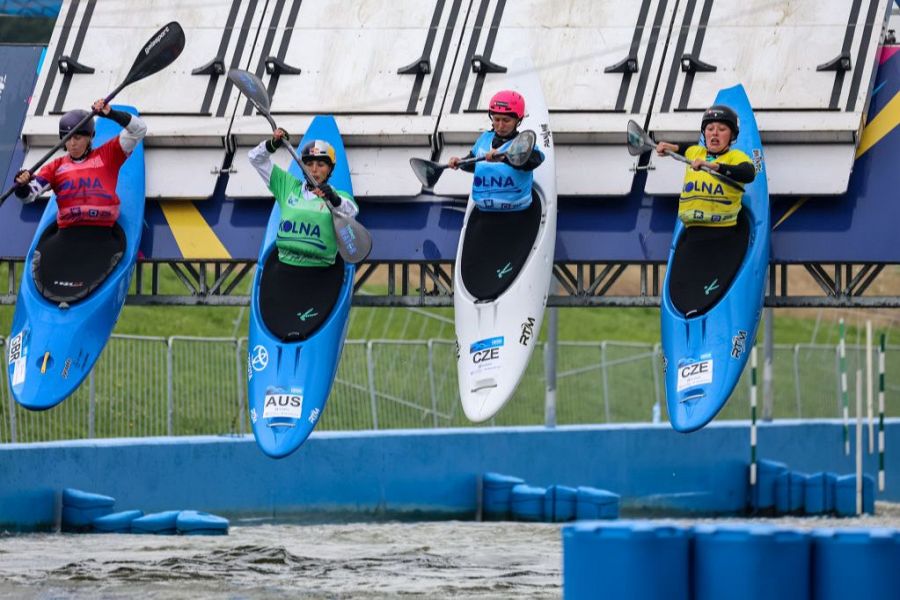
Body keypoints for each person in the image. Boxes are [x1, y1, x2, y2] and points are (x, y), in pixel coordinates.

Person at [14, 99, 147, 227]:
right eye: (67, 137)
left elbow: (139, 129)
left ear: (90, 137)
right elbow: (28, 196)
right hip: (68, 232)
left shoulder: (108, 155)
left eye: (78, 138)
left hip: (103, 231)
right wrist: (22, 186)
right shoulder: (55, 167)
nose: (72, 143)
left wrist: (112, 114)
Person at [248, 128, 358, 267]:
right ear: (302, 166)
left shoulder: (338, 197)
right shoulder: (287, 186)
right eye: (309, 163)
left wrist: (334, 198)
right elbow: (255, 158)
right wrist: (272, 144)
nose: (314, 169)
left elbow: (351, 212)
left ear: (330, 169)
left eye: (320, 164)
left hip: (320, 270)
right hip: (284, 265)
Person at [654, 104, 756, 227]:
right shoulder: (695, 152)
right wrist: (670, 147)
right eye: (710, 129)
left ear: (732, 135)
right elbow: (683, 148)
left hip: (723, 231)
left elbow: (749, 173)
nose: (715, 133)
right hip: (691, 230)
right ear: (704, 133)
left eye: (722, 129)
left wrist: (715, 167)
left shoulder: (736, 156)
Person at [447, 90, 544, 211]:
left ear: (518, 120)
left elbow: (535, 160)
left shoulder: (523, 142)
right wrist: (460, 162)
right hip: (484, 210)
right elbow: (473, 164)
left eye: (506, 120)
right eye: (496, 119)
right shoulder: (484, 139)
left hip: (518, 212)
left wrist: (504, 158)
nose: (500, 125)